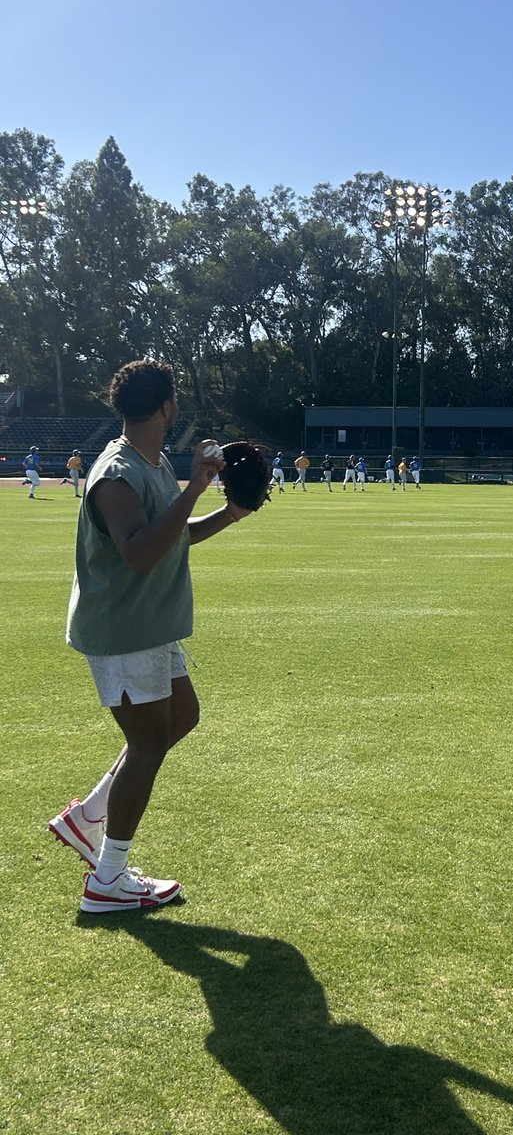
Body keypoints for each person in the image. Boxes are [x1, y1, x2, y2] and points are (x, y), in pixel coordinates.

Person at [47, 359, 255, 913]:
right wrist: (196, 485)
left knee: (181, 716)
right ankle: (107, 881)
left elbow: (172, 536)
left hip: (151, 626)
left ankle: (88, 817)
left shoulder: (155, 462)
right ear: (166, 407)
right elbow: (139, 553)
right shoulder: (116, 474)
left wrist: (227, 512)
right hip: (123, 631)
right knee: (146, 746)